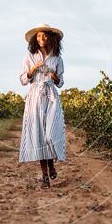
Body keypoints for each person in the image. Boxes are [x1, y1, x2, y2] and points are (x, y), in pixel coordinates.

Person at [18, 23, 66, 188]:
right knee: (39, 135)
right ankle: (45, 175)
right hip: (35, 98)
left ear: (50, 38)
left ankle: (52, 163)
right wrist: (32, 69)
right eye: (38, 36)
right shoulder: (29, 56)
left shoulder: (57, 58)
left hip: (51, 97)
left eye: (44, 35)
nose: (41, 39)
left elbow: (60, 83)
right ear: (35, 39)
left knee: (50, 134)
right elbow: (23, 80)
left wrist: (54, 77)